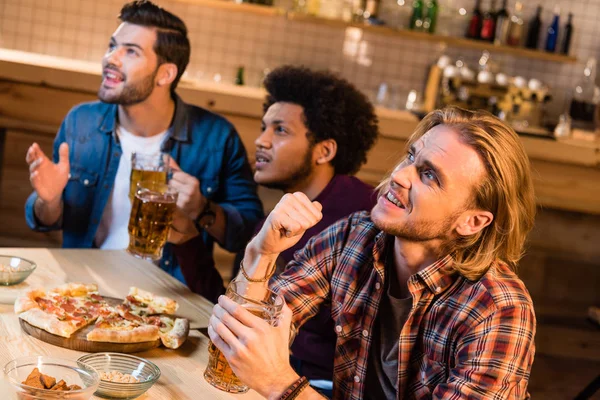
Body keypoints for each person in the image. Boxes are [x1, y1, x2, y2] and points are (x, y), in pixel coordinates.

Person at [208, 107, 537, 399]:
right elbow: (242, 343)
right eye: (411, 157)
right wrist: (262, 251)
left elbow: (270, 377)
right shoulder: (355, 236)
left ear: (471, 221)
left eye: (429, 175)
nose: (398, 175)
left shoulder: (498, 309)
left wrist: (282, 384)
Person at [24, 0, 263, 287]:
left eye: (131, 52)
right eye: (112, 46)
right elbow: (46, 219)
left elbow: (249, 234)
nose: (111, 58)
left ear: (166, 74)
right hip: (83, 289)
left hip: (168, 296)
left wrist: (203, 208)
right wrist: (48, 200)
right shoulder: (80, 122)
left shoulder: (216, 137)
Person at [178, 65, 379, 392]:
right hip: (257, 371)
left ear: (324, 150)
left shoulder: (362, 216)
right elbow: (233, 313)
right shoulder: (278, 218)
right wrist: (185, 237)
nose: (261, 141)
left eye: (280, 130)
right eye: (263, 128)